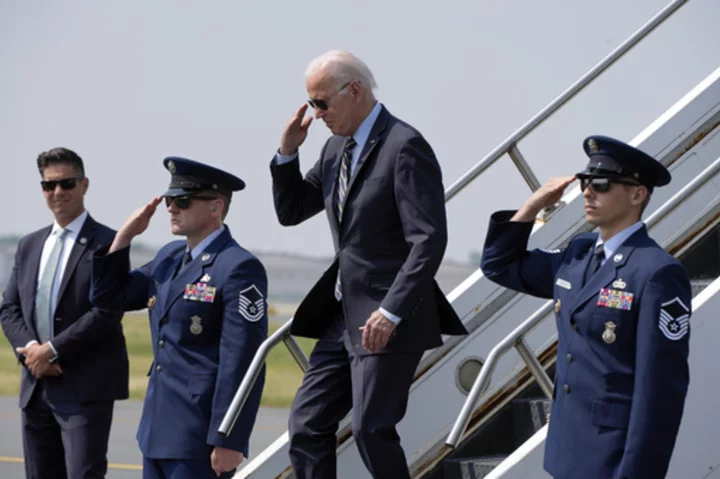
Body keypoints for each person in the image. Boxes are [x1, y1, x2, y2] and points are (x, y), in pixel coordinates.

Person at [270, 50, 467, 479]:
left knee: (371, 429)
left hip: (387, 317)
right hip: (342, 316)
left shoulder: (405, 146)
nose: (316, 114)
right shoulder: (334, 147)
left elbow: (428, 240)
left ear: (355, 90)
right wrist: (287, 153)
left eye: (321, 103)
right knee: (305, 427)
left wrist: (392, 309)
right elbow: (292, 210)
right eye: (311, 105)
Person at [481, 135, 691, 479]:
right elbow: (499, 266)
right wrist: (531, 207)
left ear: (637, 194)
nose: (588, 192)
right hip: (566, 451)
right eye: (585, 182)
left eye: (602, 183)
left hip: (613, 458)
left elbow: (660, 390)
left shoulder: (657, 272)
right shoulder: (577, 254)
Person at [90, 157, 268, 479]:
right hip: (157, 431)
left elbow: (243, 360)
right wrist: (124, 237)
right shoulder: (169, 257)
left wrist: (230, 437)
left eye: (182, 200)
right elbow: (108, 297)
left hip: (200, 437)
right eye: (170, 200)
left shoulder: (238, 267)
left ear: (215, 207)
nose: (171, 208)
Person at [0, 147, 129, 479]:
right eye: (48, 185)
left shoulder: (108, 242)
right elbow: (9, 308)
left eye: (66, 183)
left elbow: (106, 312)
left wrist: (53, 351)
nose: (57, 192)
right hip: (35, 387)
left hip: (84, 389)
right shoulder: (29, 245)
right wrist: (32, 352)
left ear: (84, 185)